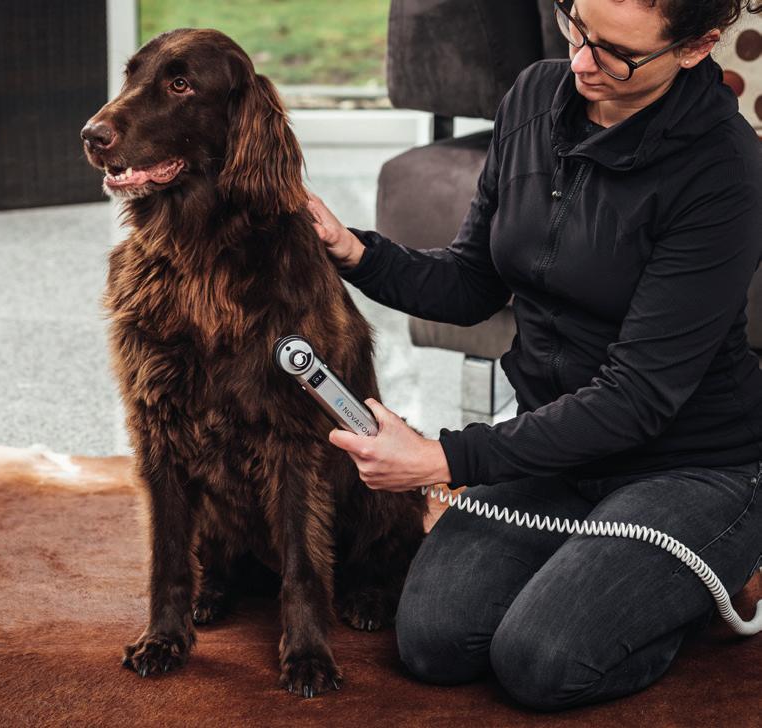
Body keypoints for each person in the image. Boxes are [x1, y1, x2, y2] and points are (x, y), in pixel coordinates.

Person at [308, 0, 762, 711]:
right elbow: (470, 282)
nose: (581, 62)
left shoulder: (724, 170)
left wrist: (443, 460)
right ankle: (609, 569)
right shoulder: (535, 94)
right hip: (553, 449)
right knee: (433, 642)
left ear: (696, 48)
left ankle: (716, 567)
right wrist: (350, 250)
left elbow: (636, 398)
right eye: (576, 23)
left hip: (690, 462)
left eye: (617, 53)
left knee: (541, 662)